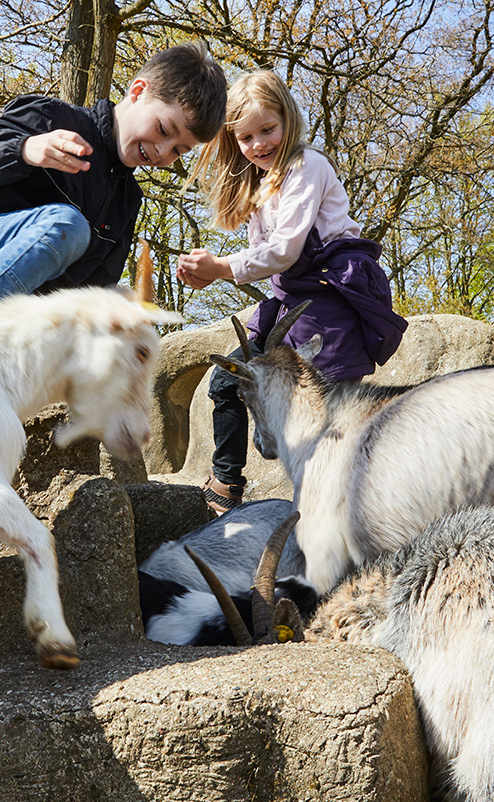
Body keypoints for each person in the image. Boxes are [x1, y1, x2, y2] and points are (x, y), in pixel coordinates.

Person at [177, 70, 407, 517]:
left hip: (329, 302)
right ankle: (226, 482)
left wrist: (222, 268)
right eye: (246, 137)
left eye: (268, 129)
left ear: (288, 119)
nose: (259, 143)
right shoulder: (260, 183)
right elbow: (267, 255)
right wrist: (210, 273)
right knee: (229, 379)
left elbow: (285, 250)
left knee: (325, 416)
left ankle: (343, 508)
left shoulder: (307, 166)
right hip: (287, 304)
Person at [0, 43, 228, 325]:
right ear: (138, 91)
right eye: (163, 129)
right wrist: (24, 150)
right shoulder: (54, 119)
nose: (161, 151)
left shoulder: (126, 202)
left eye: (178, 151)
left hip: (8, 304)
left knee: (116, 301)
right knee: (68, 227)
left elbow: (93, 289)